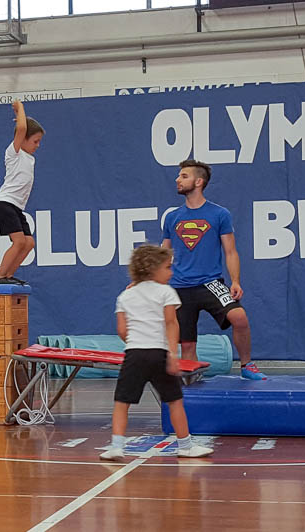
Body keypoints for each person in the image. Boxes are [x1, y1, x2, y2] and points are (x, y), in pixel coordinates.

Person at [101, 245, 213, 461]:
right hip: (158, 354)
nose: (171, 272)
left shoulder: (125, 295)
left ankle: (116, 446)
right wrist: (173, 354)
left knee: (121, 402)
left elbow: (122, 330)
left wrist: (136, 342)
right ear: (152, 269)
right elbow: (171, 323)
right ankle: (186, 446)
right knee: (174, 401)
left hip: (133, 355)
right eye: (167, 268)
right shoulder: (166, 292)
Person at [161, 159, 266, 380]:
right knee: (187, 345)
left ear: (199, 182)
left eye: (184, 176)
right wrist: (146, 281)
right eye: (179, 175)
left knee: (239, 317)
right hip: (179, 288)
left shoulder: (219, 214)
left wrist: (235, 281)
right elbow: (164, 253)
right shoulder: (172, 217)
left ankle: (247, 365)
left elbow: (231, 252)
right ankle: (191, 385)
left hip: (210, 283)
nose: (178, 180)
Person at [0, 100, 43, 285]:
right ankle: (0, 277)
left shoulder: (30, 159)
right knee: (19, 241)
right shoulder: (13, 154)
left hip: (16, 207)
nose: (38, 145)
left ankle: (8, 276)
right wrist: (19, 108)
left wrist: (23, 119)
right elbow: (21, 129)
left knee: (29, 243)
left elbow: (23, 128)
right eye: (35, 141)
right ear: (23, 140)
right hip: (5, 203)